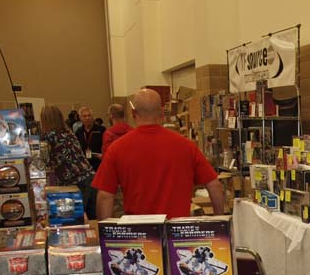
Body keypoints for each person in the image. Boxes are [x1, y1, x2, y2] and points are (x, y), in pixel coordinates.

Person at [93, 88, 224, 220]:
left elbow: (105, 196)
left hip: (139, 229)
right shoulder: (186, 145)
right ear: (162, 112)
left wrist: (104, 229)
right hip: (177, 229)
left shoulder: (116, 149)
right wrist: (220, 220)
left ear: (133, 113)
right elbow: (215, 186)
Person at [40, 105, 98, 219]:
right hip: (90, 176)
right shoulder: (69, 133)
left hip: (74, 183)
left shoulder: (50, 136)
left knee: (70, 219)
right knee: (93, 219)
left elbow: (43, 159)